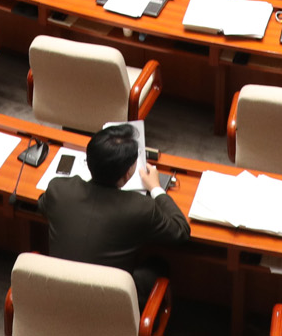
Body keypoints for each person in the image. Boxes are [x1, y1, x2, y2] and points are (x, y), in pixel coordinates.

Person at [38, 125, 189, 301]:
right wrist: (156, 188)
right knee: (158, 265)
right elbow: (181, 231)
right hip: (109, 305)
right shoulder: (141, 207)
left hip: (58, 295)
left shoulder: (59, 189)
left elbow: (42, 205)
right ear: (127, 173)